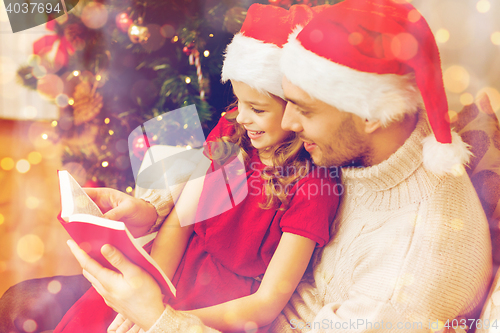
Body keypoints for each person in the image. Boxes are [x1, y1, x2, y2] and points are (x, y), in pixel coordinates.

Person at [64, 0, 493, 333]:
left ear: (371, 114)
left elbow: (267, 300)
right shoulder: (359, 142)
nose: (287, 124)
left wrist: (157, 317)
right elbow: (218, 190)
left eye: (302, 110)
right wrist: (151, 210)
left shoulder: (403, 283)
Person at [51, 4, 338, 333]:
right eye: (239, 102)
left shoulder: (314, 187)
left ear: (297, 108)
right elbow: (180, 223)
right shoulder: (232, 132)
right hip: (173, 269)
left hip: (224, 306)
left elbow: (266, 304)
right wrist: (150, 294)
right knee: (96, 320)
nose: (241, 116)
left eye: (257, 109)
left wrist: (159, 318)